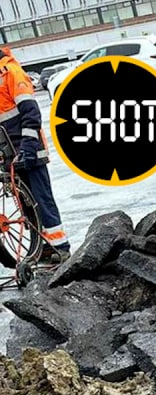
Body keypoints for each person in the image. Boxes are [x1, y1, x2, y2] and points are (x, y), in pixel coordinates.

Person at [0, 46, 70, 262]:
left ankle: (60, 247)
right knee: (25, 204)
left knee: (41, 199)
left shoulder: (11, 72)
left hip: (28, 148)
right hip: (8, 152)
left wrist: (28, 147)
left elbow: (31, 112)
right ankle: (42, 247)